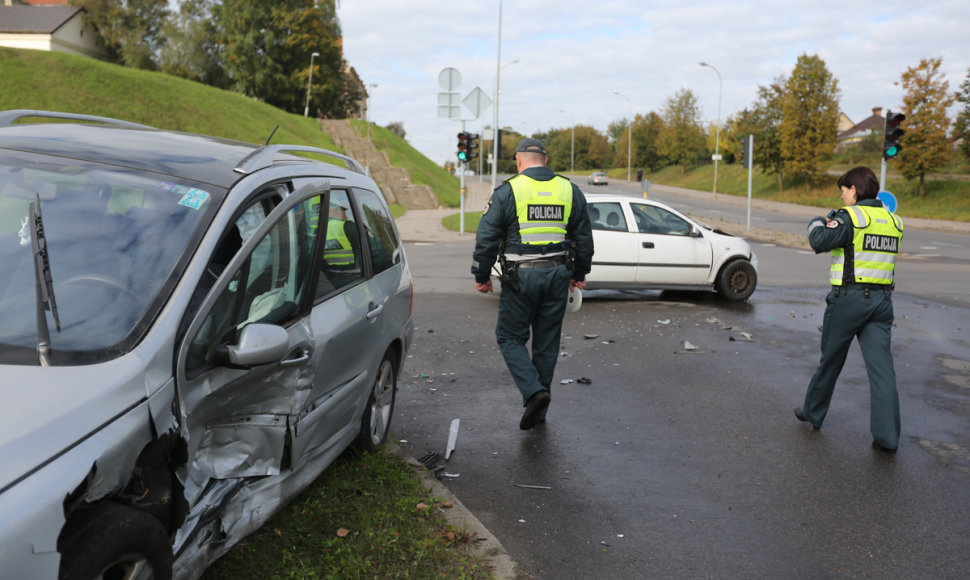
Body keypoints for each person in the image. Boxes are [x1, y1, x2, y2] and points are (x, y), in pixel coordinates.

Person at [472, 138, 594, 430]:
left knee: (509, 337)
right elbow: (584, 237)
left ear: (519, 161)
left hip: (520, 277)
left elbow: (487, 237)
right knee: (546, 344)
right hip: (557, 274)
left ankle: (534, 393)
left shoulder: (508, 190)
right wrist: (580, 273)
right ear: (546, 160)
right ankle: (539, 414)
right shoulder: (569, 190)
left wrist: (482, 274)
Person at [794, 166, 904, 453]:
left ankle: (812, 413)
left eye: (843, 190)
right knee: (883, 371)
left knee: (830, 360)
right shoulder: (894, 222)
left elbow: (819, 242)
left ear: (854, 190)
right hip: (882, 303)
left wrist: (817, 221)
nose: (842, 196)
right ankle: (887, 438)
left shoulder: (850, 217)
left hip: (849, 300)